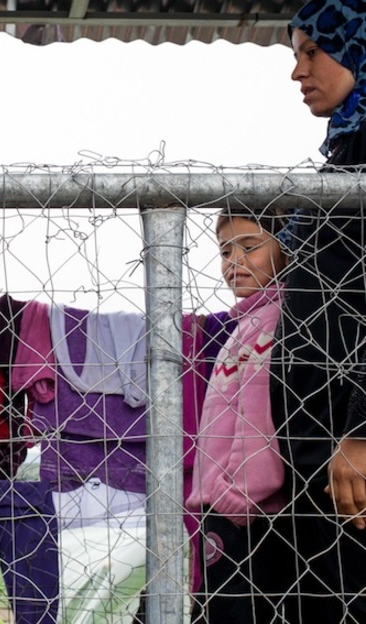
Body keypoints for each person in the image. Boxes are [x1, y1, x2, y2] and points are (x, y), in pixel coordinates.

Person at [270, 1, 366, 620]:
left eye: (313, 52)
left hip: (353, 452)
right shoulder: (347, 154)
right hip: (316, 451)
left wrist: (362, 431)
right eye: (296, 54)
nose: (298, 72)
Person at [185, 206, 290, 622]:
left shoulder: (278, 322)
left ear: (287, 249)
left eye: (250, 248)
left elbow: (259, 421)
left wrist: (236, 499)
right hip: (224, 510)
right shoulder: (243, 325)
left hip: (251, 515)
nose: (235, 263)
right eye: (225, 252)